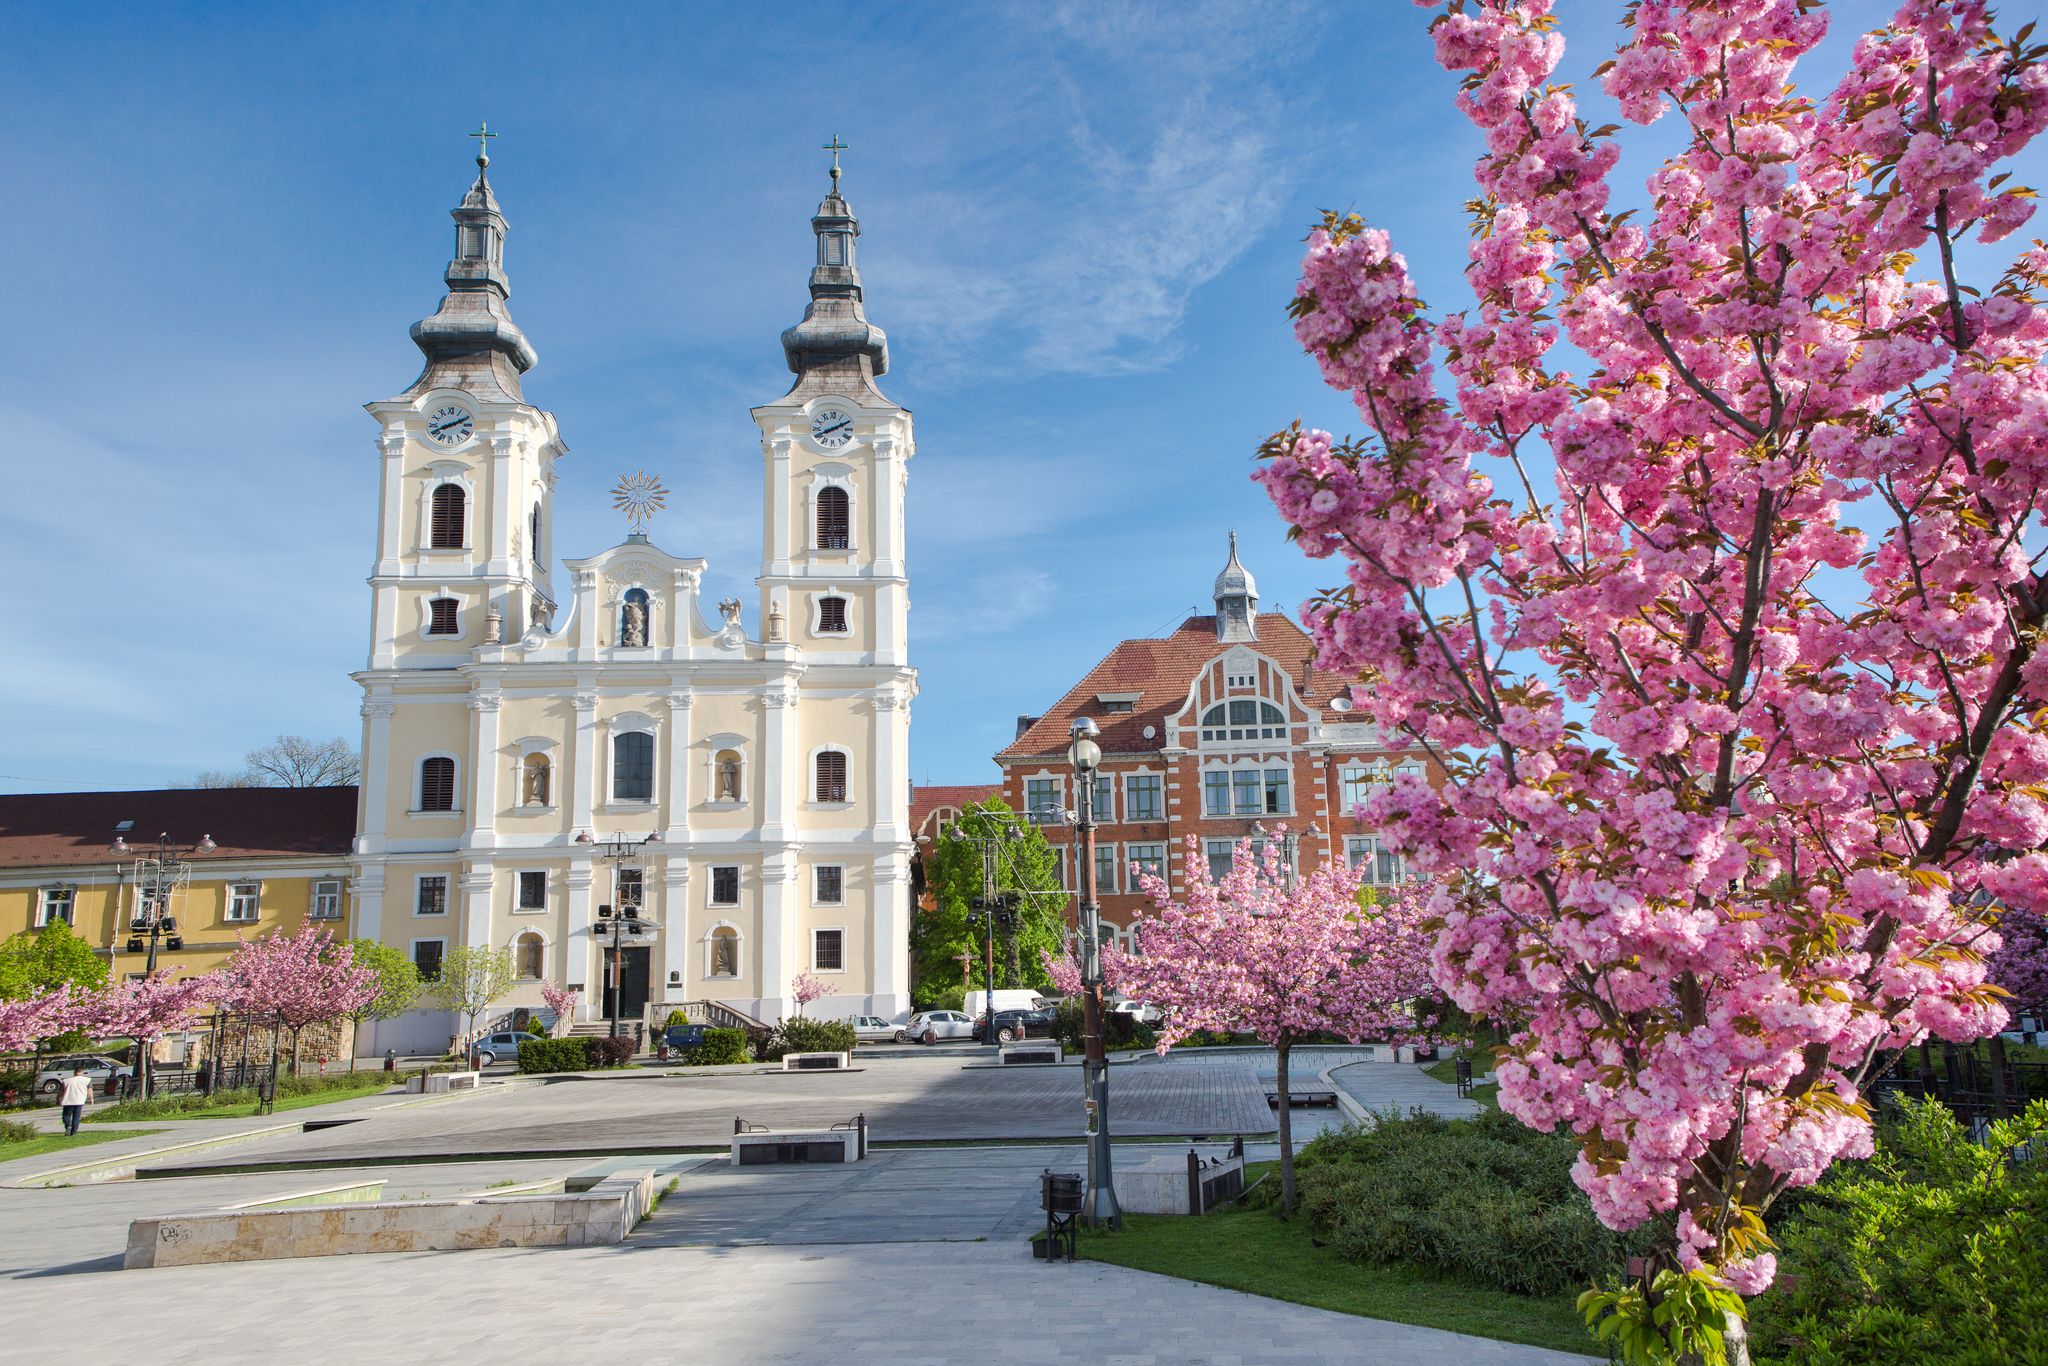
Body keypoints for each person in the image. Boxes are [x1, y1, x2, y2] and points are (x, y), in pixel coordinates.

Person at [58, 1067, 92, 1137]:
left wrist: (58, 1099)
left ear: (74, 1072)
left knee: (66, 1116)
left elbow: (60, 1091)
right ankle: (74, 1132)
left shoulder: (66, 1081)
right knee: (76, 1117)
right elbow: (90, 1090)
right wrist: (91, 1098)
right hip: (79, 1101)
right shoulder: (87, 1080)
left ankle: (68, 1125)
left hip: (67, 1101)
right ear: (82, 1072)